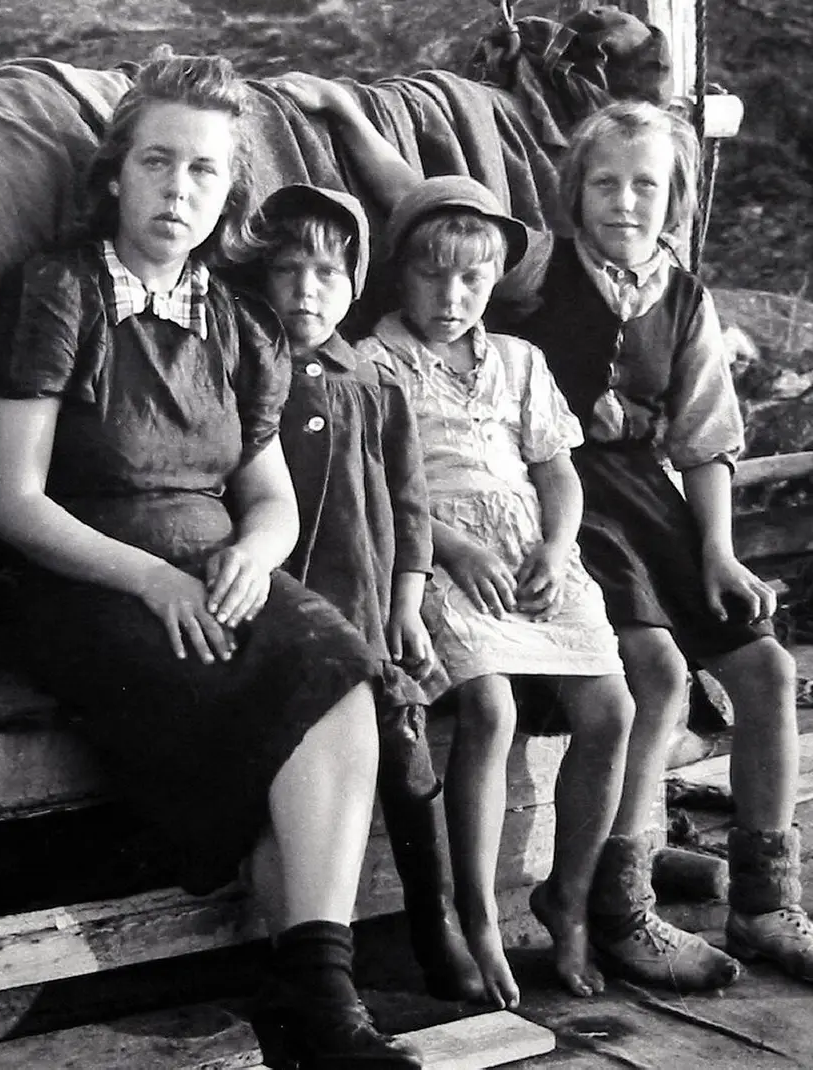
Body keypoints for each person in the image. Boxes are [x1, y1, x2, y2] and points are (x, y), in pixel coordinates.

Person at [277, 76, 813, 993]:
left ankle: (766, 901)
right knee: (658, 671)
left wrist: (717, 550)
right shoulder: (534, 266)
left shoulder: (686, 297)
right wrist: (352, 123)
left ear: (677, 198)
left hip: (643, 495)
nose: (626, 203)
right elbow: (422, 213)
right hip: (552, 495)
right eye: (606, 185)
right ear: (573, 192)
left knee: (768, 667)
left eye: (648, 186)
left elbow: (705, 441)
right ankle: (619, 904)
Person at [0, 55, 422, 1069]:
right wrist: (150, 577)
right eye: (158, 162)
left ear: (230, 190)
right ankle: (317, 1011)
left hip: (215, 564)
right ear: (116, 174)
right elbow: (12, 497)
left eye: (206, 171)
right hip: (88, 572)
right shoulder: (63, 290)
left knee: (343, 672)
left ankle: (316, 999)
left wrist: (258, 555)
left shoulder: (238, 317)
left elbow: (267, 494)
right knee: (283, 714)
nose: (179, 190)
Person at [357, 174, 637, 1011]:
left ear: (494, 282)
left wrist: (558, 546)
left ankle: (570, 899)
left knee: (612, 709)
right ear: (400, 273)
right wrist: (450, 546)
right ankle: (475, 916)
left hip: (530, 552)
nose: (452, 297)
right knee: (490, 708)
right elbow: (375, 484)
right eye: (432, 276)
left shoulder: (519, 361)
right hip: (433, 551)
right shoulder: (376, 361)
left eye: (472, 279)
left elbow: (558, 471)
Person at [242, 181, 484, 1002]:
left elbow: (411, 505)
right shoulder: (249, 368)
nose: (307, 291)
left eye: (327, 273)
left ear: (355, 285)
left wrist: (409, 600)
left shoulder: (375, 381)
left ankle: (435, 918)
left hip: (369, 606)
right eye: (287, 271)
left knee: (408, 755)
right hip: (288, 609)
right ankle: (300, 956)